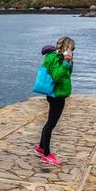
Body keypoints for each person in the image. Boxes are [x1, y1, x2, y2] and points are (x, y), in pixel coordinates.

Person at [35, 37, 75, 166]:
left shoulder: (55, 56)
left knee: (50, 122)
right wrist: (65, 63)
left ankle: (41, 147)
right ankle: (46, 155)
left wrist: (69, 62)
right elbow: (57, 77)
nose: (73, 51)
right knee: (50, 124)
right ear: (66, 47)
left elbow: (68, 74)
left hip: (56, 94)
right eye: (71, 48)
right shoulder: (55, 58)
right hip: (56, 95)